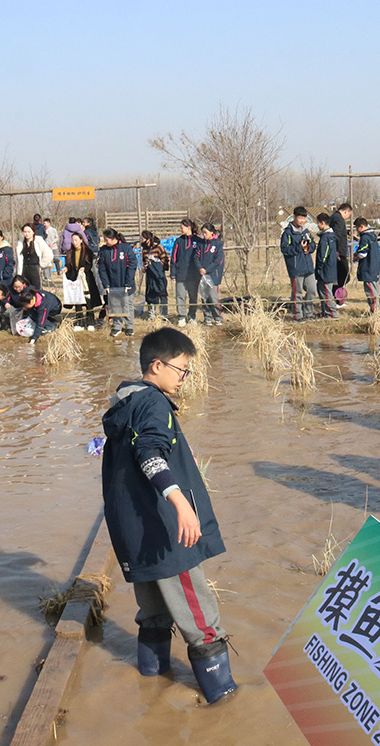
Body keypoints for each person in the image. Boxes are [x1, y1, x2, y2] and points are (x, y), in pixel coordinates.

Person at [100, 327, 236, 702]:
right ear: (156, 365)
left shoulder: (125, 403)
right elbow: (149, 453)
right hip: (165, 531)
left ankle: (152, 687)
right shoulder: (154, 403)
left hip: (134, 531)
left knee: (154, 612)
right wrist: (180, 503)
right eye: (181, 370)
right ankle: (223, 698)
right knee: (200, 619)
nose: (184, 378)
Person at [97, 228, 137, 337]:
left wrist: (128, 283)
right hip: (112, 284)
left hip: (125, 283)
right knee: (115, 305)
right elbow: (102, 268)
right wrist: (106, 284)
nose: (105, 242)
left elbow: (132, 265)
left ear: (114, 238)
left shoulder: (125, 248)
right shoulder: (104, 250)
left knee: (127, 304)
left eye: (107, 240)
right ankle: (117, 326)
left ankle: (129, 326)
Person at [280, 208, 316, 321]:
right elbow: (284, 249)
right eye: (300, 217)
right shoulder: (288, 233)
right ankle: (298, 315)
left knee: (312, 290)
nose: (302, 220)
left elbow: (313, 244)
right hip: (296, 267)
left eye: (304, 218)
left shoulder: (306, 231)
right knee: (297, 292)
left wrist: (309, 248)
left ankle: (309, 313)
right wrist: (299, 247)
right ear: (294, 217)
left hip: (308, 266)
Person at [65, 232, 102, 330]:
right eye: (73, 240)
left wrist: (84, 268)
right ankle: (79, 322)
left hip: (87, 279)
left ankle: (90, 321)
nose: (74, 242)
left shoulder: (87, 251)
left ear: (81, 240)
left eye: (76, 240)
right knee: (78, 301)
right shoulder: (70, 252)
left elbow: (89, 264)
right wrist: (66, 268)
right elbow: (69, 264)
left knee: (88, 300)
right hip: (75, 279)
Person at [170, 219, 201, 326]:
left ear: (189, 227)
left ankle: (192, 316)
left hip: (193, 275)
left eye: (182, 227)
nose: (180, 229)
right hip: (181, 274)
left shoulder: (198, 240)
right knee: (180, 296)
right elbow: (173, 258)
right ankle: (181, 317)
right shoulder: (179, 241)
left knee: (193, 296)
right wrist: (173, 273)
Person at [197, 224, 224, 326]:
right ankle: (207, 317)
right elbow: (196, 256)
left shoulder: (218, 244)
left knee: (213, 297)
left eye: (205, 233)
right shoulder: (201, 244)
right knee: (204, 297)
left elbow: (218, 260)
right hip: (202, 274)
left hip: (213, 274)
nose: (204, 235)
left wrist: (207, 269)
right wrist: (200, 267)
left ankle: (218, 317)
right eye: (202, 233)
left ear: (211, 233)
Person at [353, 217, 380, 313]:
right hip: (375, 267)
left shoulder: (365, 237)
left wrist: (355, 258)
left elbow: (363, 254)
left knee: (370, 291)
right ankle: (377, 310)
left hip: (368, 269)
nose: (357, 231)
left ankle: (375, 311)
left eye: (357, 228)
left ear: (361, 227)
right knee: (375, 289)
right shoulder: (373, 236)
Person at [314, 214, 339, 319]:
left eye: (318, 223)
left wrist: (319, 268)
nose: (317, 225)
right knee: (322, 291)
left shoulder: (326, 238)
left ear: (322, 223)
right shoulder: (332, 236)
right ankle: (325, 312)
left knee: (326, 292)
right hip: (330, 269)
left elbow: (323, 256)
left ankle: (332, 313)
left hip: (325, 270)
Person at [16, 223, 54, 290]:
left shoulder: (39, 241)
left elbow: (49, 254)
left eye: (29, 232)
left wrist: (42, 265)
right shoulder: (21, 242)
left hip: (34, 270)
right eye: (25, 232)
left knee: (36, 291)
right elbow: (18, 259)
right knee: (24, 291)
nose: (27, 234)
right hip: (23, 270)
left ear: (33, 232)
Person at [329, 202, 352, 304]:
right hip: (339, 252)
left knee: (341, 277)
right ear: (345, 211)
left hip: (338, 251)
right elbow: (337, 235)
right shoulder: (338, 219)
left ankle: (338, 299)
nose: (347, 218)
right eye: (348, 215)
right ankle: (337, 299)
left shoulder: (334, 217)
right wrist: (337, 250)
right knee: (342, 276)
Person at [143, 233, 170, 320]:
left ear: (148, 239)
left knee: (162, 293)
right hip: (149, 275)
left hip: (159, 275)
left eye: (143, 238)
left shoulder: (158, 247)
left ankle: (163, 314)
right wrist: (145, 267)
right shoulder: (144, 249)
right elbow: (144, 261)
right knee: (150, 293)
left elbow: (164, 259)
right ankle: (151, 314)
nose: (141, 240)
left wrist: (156, 265)